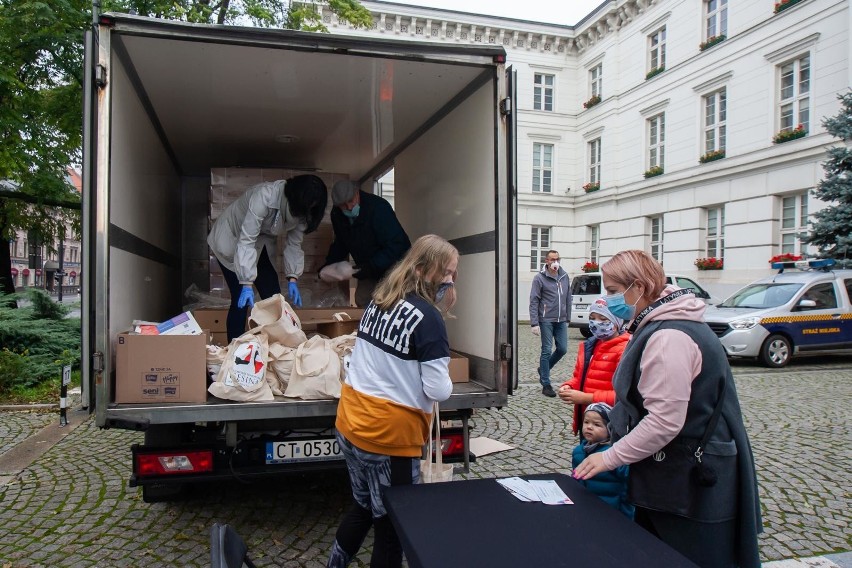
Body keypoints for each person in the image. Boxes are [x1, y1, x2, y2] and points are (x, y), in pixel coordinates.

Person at [573, 250, 762, 568]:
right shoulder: (666, 323)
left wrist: (609, 456)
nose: (608, 300)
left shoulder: (670, 336)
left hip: (687, 479)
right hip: (686, 470)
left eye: (613, 291)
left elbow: (663, 422)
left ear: (638, 287)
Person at [328, 234, 457, 568]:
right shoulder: (429, 319)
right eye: (446, 273)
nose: (450, 281)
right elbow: (438, 390)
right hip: (389, 438)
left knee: (364, 507)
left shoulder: (380, 298)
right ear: (427, 270)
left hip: (351, 420)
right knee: (392, 529)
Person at [207, 175, 327, 341]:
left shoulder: (306, 210)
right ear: (295, 196)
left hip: (261, 242)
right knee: (239, 299)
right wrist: (247, 283)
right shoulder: (264, 196)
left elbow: (294, 245)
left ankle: (278, 349)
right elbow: (247, 240)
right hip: (233, 238)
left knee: (274, 298)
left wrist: (293, 278)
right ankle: (234, 351)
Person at [322, 180, 411, 307]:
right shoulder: (337, 215)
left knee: (391, 304)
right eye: (343, 205)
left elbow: (397, 245)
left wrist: (370, 266)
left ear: (357, 193)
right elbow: (341, 242)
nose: (349, 207)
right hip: (368, 268)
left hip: (395, 268)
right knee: (363, 300)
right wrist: (329, 264)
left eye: (351, 201)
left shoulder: (378, 208)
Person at [558, 297, 629, 436]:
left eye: (603, 318)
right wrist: (569, 386)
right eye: (592, 317)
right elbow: (579, 377)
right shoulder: (589, 346)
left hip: (609, 426)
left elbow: (623, 395)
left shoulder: (623, 350)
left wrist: (586, 398)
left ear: (616, 323)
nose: (596, 322)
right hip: (588, 421)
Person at [571, 403, 633, 519]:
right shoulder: (578, 451)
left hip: (612, 513)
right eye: (586, 422)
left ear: (610, 429)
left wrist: (626, 514)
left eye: (597, 424)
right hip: (586, 509)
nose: (589, 427)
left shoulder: (615, 456)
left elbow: (628, 486)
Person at [529, 250, 571, 397]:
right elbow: (534, 300)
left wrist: (568, 318)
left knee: (563, 349)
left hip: (561, 319)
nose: (555, 262)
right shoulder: (539, 278)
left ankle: (544, 369)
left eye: (558, 259)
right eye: (552, 259)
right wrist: (534, 322)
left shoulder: (564, 276)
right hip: (546, 319)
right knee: (546, 350)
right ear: (546, 260)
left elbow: (568, 298)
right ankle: (546, 383)